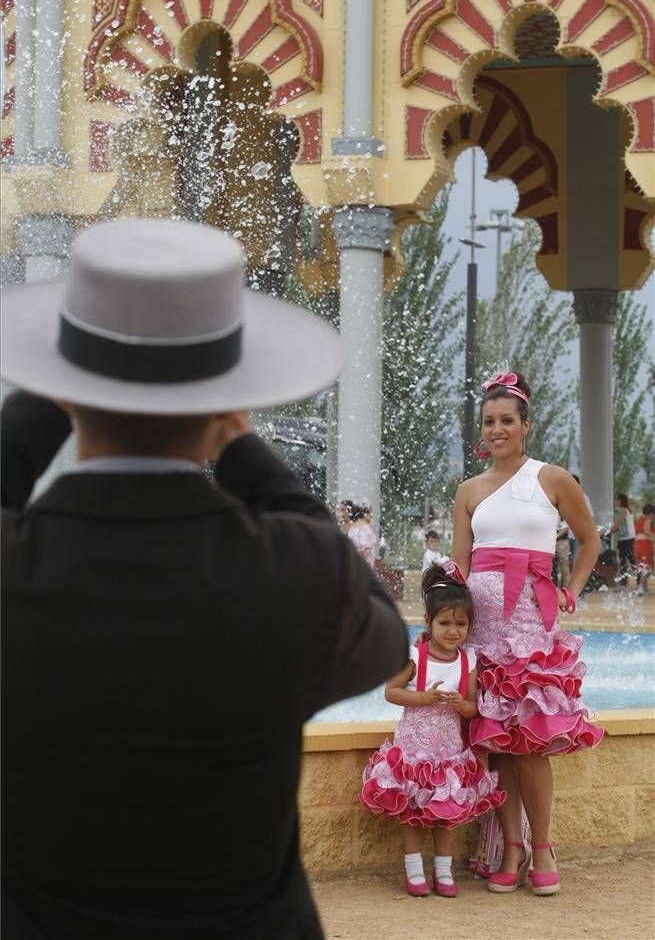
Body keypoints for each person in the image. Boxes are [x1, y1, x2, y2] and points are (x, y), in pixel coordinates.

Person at [0, 218, 408, 940]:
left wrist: (44, 394)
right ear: (226, 396)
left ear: (65, 389)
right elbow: (379, 627)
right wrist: (245, 447)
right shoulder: (291, 574)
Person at [451, 370, 603, 898]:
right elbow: (459, 569)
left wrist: (571, 591)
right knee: (498, 744)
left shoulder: (551, 478)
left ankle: (542, 846)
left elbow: (589, 544)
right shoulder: (468, 490)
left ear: (525, 425)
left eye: (506, 421)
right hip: (483, 628)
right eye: (489, 421)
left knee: (531, 742)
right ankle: (508, 848)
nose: (497, 429)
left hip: (531, 625)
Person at [359, 560, 505, 898]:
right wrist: (424, 697)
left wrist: (461, 705)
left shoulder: (467, 661)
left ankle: (444, 871)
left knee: (446, 814)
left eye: (460, 624)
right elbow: (391, 691)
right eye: (444, 623)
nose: (453, 631)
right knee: (411, 812)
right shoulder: (416, 655)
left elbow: (472, 706)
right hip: (414, 751)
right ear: (428, 622)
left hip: (449, 752)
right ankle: (413, 870)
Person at [611, 492, 636, 587]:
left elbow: (617, 524)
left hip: (626, 539)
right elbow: (619, 526)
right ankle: (637, 583)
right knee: (630, 560)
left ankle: (624, 585)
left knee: (624, 561)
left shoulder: (623, 511)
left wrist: (609, 532)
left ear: (621, 501)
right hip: (627, 539)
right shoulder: (626, 510)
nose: (615, 501)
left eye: (617, 499)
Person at [634, 503, 655, 595]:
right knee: (646, 567)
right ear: (651, 513)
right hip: (644, 545)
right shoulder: (648, 519)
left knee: (643, 566)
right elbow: (646, 531)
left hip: (638, 544)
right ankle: (641, 587)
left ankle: (644, 587)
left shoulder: (639, 520)